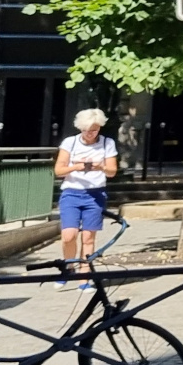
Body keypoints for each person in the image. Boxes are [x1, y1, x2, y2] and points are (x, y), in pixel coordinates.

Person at [53, 109, 118, 287]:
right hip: (71, 193)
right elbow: (59, 170)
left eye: (94, 130)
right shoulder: (70, 142)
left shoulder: (107, 143)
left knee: (88, 238)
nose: (90, 134)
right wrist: (76, 167)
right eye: (86, 130)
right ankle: (68, 267)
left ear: (100, 128)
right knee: (69, 235)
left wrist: (100, 167)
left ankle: (84, 277)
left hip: (95, 194)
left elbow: (112, 171)